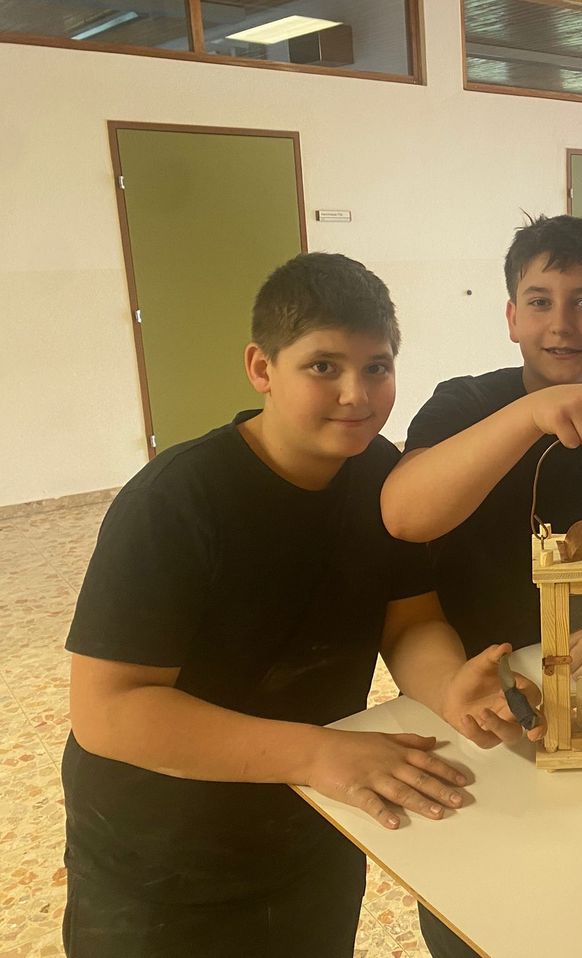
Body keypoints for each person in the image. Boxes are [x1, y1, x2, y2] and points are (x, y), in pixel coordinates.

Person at [61, 253, 541, 958]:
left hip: (309, 829)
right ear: (262, 369)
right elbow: (108, 710)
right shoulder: (178, 499)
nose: (357, 393)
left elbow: (410, 621)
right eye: (324, 367)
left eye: (377, 367)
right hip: (162, 858)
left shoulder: (380, 474)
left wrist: (449, 687)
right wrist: (317, 752)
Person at [380, 214, 582, 955]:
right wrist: (531, 414)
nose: (562, 323)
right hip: (483, 711)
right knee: (481, 913)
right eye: (540, 301)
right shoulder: (463, 405)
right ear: (511, 316)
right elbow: (406, 512)